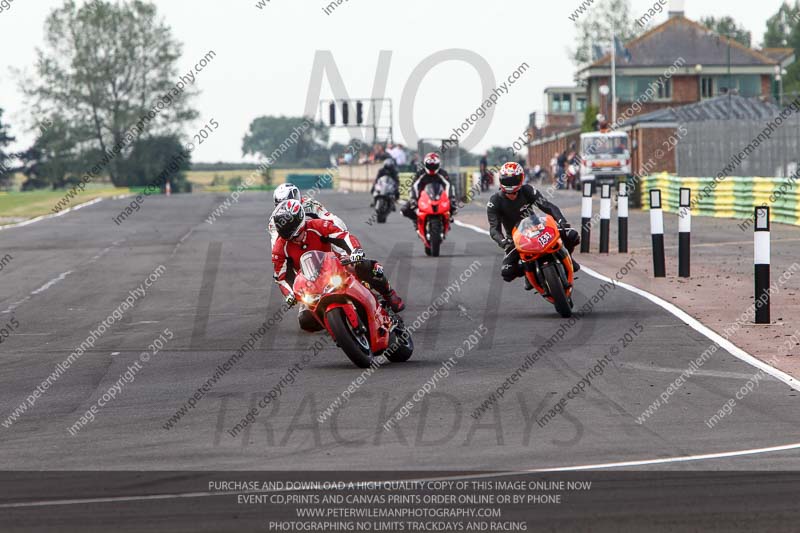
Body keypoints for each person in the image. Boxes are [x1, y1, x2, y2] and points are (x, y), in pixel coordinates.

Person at [271, 200, 405, 331]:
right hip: (311, 282)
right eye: (290, 237)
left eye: (297, 235)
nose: (295, 239)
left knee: (362, 266)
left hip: (336, 266)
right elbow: (281, 276)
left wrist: (355, 250)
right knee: (306, 321)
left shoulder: (317, 225)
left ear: (300, 222)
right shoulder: (279, 248)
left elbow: (343, 236)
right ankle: (337, 324)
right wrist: (290, 294)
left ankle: (388, 293)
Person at [486, 162, 581, 288]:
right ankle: (528, 272)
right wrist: (503, 242)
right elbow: (494, 228)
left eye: (514, 179)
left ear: (521, 178)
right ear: (501, 180)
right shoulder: (494, 201)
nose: (511, 184)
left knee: (573, 235)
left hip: (538, 228)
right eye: (507, 180)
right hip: (515, 239)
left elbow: (547, 206)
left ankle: (567, 256)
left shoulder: (527, 190)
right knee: (507, 272)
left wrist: (561, 221)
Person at [268, 184, 346, 249]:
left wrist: (343, 235)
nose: (285, 206)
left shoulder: (310, 205)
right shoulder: (275, 219)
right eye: (280, 204)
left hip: (317, 240)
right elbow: (275, 245)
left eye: (287, 202)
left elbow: (332, 219)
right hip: (294, 245)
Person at [402, 152, 457, 223]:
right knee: (404, 210)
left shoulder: (443, 173)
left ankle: (447, 218)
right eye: (429, 165)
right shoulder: (420, 173)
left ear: (439, 164)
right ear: (425, 164)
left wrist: (451, 198)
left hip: (439, 196)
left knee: (453, 207)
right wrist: (413, 198)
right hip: (422, 197)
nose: (432, 167)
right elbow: (414, 186)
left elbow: (449, 185)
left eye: (434, 165)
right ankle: (417, 220)